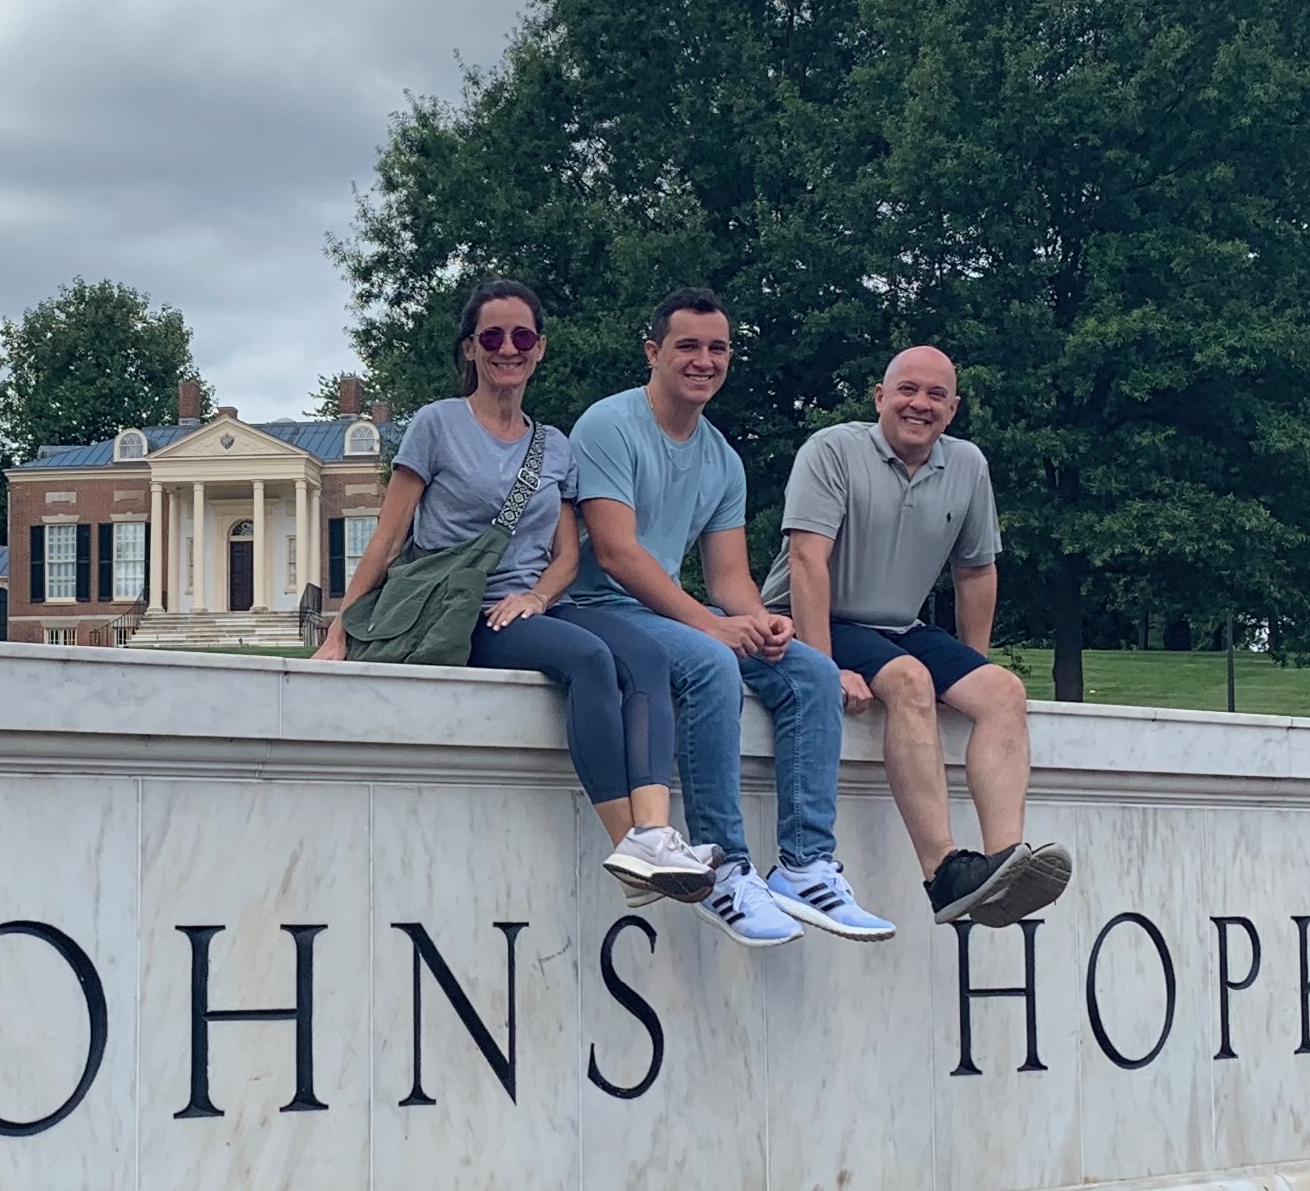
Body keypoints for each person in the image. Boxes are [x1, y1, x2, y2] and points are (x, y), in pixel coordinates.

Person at [319, 281, 715, 901]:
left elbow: (567, 555)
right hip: (458, 609)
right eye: (492, 337)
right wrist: (340, 631)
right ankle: (627, 845)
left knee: (647, 657)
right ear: (472, 349)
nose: (508, 348)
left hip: (529, 608)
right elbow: (387, 539)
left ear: (540, 349)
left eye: (522, 336)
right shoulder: (437, 424)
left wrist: (537, 596)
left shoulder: (553, 446)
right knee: (588, 660)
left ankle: (656, 835)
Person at [559, 288, 902, 951]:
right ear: (653, 351)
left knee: (808, 670)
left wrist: (762, 622)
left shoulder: (722, 457)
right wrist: (711, 627)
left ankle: (804, 866)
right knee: (711, 660)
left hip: (667, 611)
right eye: (688, 345)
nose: (704, 360)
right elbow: (617, 552)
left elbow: (729, 580)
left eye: (717, 348)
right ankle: (724, 870)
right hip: (594, 608)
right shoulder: (609, 424)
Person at [781, 344, 1074, 927]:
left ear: (954, 407)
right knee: (910, 682)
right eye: (907, 390)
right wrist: (821, 665)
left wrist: (971, 667)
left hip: (902, 625)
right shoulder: (833, 450)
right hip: (824, 617)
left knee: (1002, 693)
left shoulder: (967, 465)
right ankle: (944, 874)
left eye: (936, 395)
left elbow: (976, 571)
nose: (920, 404)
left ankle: (1001, 867)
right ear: (880, 397)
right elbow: (807, 563)